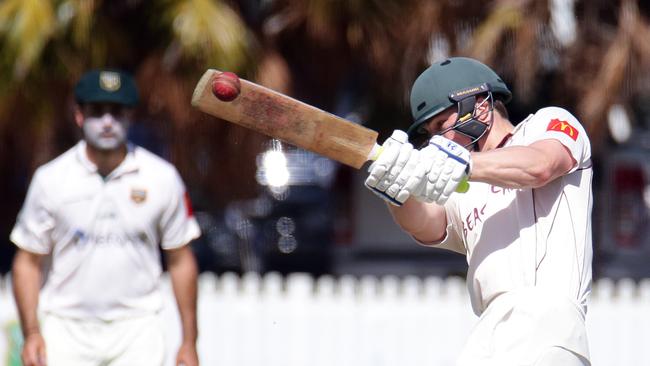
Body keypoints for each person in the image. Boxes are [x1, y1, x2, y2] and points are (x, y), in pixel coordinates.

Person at [365, 57, 592, 366]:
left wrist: (465, 165)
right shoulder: (462, 184)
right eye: (431, 133)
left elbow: (542, 165)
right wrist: (397, 191)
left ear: (480, 104)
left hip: (547, 317)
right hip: (491, 326)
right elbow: (425, 225)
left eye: (441, 125)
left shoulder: (543, 125)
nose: (439, 140)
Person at [10, 69, 201, 366]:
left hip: (138, 328)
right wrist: (32, 332)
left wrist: (189, 341)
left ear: (130, 116)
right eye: (97, 112)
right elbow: (27, 261)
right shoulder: (51, 180)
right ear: (79, 116)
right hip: (66, 328)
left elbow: (180, 258)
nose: (108, 122)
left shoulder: (161, 178)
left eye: (117, 112)